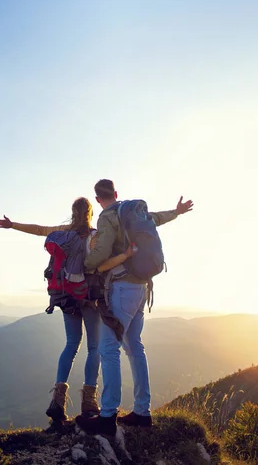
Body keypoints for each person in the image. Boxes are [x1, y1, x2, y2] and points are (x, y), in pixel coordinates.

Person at [0, 196, 132, 426]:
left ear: (73, 212)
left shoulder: (63, 233)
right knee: (94, 347)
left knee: (71, 344)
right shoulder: (96, 236)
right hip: (88, 297)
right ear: (90, 213)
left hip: (66, 297)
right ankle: (89, 403)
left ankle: (58, 401)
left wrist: (13, 225)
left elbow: (39, 229)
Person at [75, 180, 193, 437]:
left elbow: (103, 248)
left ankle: (107, 417)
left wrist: (86, 264)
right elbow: (157, 218)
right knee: (134, 346)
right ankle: (142, 411)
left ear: (98, 199)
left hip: (121, 288)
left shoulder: (108, 216)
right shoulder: (132, 214)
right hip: (143, 288)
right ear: (116, 194)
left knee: (108, 348)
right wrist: (177, 212)